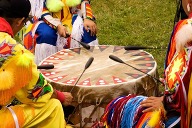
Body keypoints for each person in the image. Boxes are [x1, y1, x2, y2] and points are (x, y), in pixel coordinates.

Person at [93, 1, 192, 127]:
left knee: (118, 108)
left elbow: (181, 80)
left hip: (183, 115)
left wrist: (165, 102)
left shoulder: (187, 30)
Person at [0, 0, 73, 127]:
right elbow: (36, 92)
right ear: (19, 21)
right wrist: (60, 96)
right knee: (53, 107)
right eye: (24, 23)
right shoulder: (11, 51)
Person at [24, 0, 98, 65]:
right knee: (47, 35)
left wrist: (87, 18)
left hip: (72, 15)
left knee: (87, 31)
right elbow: (42, 11)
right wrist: (57, 26)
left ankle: (89, 67)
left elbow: (84, 1)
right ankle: (46, 69)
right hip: (46, 19)